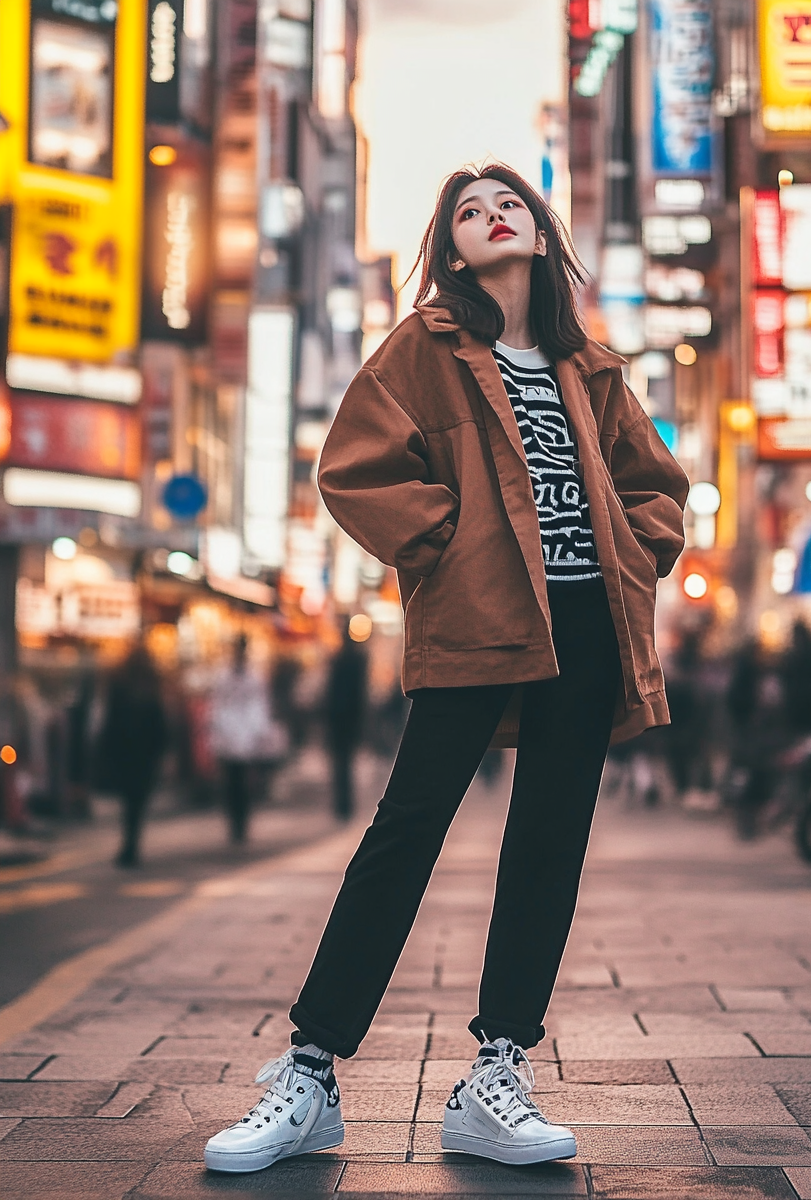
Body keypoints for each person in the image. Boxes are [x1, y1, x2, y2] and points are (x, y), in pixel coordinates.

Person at [205, 163, 687, 1174]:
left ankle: (496, 1072)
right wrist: (451, 540)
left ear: (541, 236)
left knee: (548, 841)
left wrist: (636, 552)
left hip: (587, 625)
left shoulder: (590, 366)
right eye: (467, 213)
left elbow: (656, 485)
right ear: (454, 251)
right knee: (406, 829)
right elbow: (353, 468)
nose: (490, 216)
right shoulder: (424, 347)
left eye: (507, 203)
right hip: (477, 615)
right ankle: (310, 1069)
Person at [209, 634, 287, 844]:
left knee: (242, 783)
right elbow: (218, 706)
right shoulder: (224, 676)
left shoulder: (253, 677)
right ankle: (235, 823)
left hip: (245, 738)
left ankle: (241, 824)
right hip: (229, 737)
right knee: (231, 783)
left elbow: (258, 706)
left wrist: (257, 732)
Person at [96, 645, 168, 868]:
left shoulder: (121, 685)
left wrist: (106, 750)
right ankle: (131, 844)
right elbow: (161, 724)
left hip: (127, 754)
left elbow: (110, 722)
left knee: (130, 801)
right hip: (141, 755)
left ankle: (130, 845)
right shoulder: (149, 687)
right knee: (136, 801)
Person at [324, 622, 368, 819]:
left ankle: (342, 804)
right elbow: (360, 693)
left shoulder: (338, 660)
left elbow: (331, 691)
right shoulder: (357, 661)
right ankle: (345, 804)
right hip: (349, 719)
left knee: (340, 763)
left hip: (338, 719)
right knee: (345, 763)